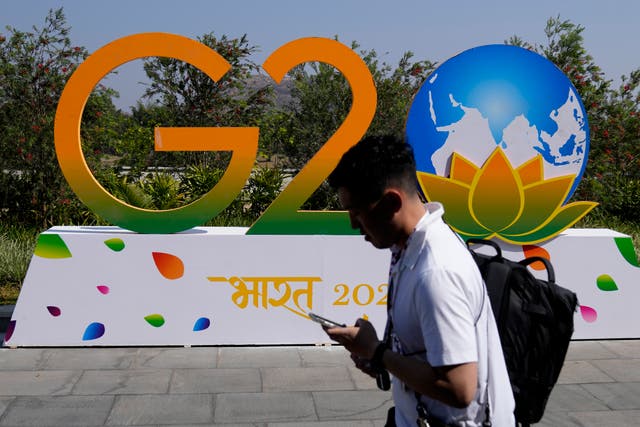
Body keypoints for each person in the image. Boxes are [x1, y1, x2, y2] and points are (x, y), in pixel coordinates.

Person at [324, 135, 515, 426]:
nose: (353, 224)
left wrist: (377, 351)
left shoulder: (436, 272)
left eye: (357, 212)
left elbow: (459, 387)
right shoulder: (409, 246)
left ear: (390, 202)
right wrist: (380, 359)